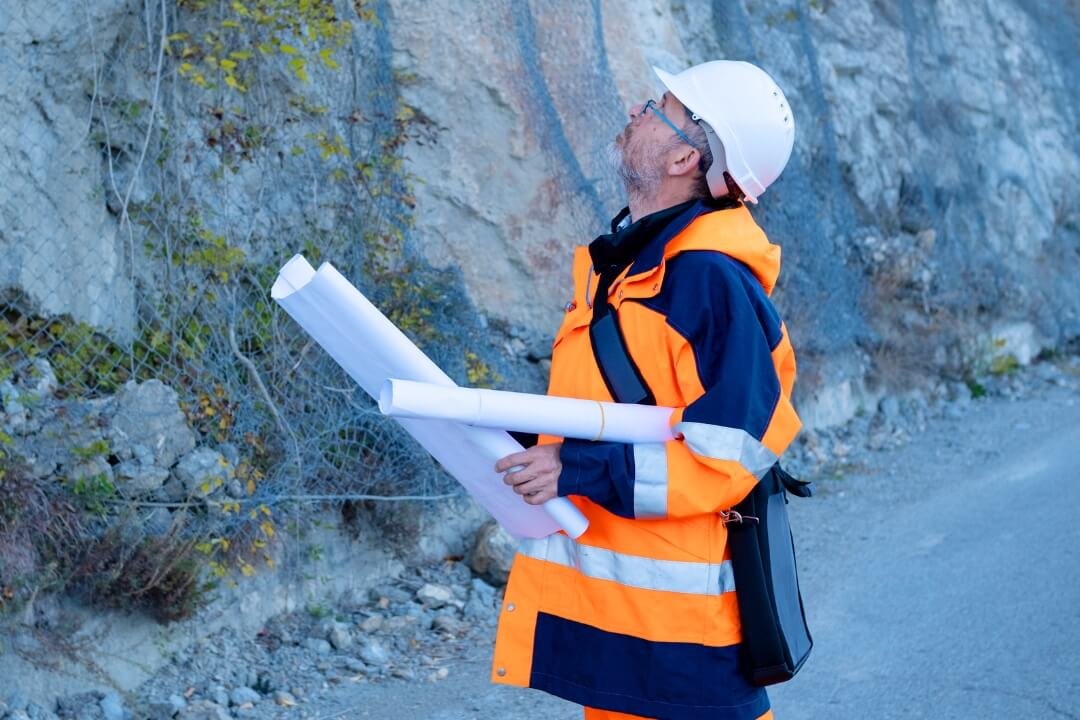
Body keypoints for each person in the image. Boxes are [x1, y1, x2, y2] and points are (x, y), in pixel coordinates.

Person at [492, 60, 802, 720]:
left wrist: (571, 467)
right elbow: (616, 414)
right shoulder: (632, 268)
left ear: (686, 155)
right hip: (625, 632)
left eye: (658, 108)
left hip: (683, 650)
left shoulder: (709, 283)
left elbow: (727, 456)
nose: (636, 111)